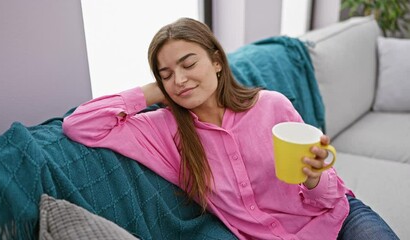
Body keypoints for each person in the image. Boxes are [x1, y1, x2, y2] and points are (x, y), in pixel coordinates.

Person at [63, 17, 399, 240]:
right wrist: (152, 91)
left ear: (217, 61)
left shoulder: (271, 105)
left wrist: (313, 176)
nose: (179, 80)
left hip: (338, 220)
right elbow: (81, 125)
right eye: (165, 74)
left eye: (188, 64)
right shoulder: (163, 131)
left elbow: (329, 192)